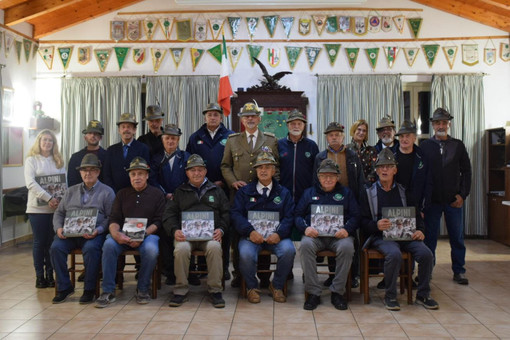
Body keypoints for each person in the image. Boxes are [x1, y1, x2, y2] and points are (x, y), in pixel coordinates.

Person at [360, 148, 438, 311]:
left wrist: (421, 230)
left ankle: (423, 294)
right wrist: (376, 225)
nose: (385, 170)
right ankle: (390, 296)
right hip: (381, 237)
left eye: (388, 166)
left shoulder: (405, 192)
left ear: (395, 169)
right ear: (376, 170)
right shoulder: (368, 193)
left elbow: (416, 215)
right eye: (381, 166)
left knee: (426, 254)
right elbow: (362, 221)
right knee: (394, 254)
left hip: (406, 236)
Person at [221, 101, 279, 287]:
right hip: (240, 196)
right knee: (239, 236)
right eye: (246, 117)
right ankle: (240, 274)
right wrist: (232, 181)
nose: (250, 119)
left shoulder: (270, 140)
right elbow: (225, 166)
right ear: (242, 121)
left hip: (265, 196)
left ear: (259, 119)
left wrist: (270, 185)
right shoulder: (232, 140)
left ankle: (262, 277)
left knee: (264, 229)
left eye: (253, 116)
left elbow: (276, 168)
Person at [95, 157, 165, 308]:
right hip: (122, 235)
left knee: (151, 250)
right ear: (129, 176)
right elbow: (113, 219)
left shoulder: (157, 194)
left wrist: (143, 235)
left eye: (140, 174)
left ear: (147, 175)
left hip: (147, 236)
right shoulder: (121, 194)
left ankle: (142, 288)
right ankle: (108, 291)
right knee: (108, 245)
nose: (137, 177)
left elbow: (158, 222)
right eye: (133, 174)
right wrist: (115, 234)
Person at [163, 154, 230, 308]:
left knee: (214, 247)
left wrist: (221, 229)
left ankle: (215, 290)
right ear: (187, 173)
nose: (196, 173)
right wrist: (174, 230)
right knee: (181, 249)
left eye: (200, 170)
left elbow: (226, 213)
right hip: (185, 237)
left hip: (210, 236)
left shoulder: (216, 191)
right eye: (192, 170)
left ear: (205, 171)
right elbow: (169, 215)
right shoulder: (180, 191)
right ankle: (180, 290)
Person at [231, 151, 295, 303]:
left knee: (289, 251)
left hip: (277, 237)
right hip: (251, 237)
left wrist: (279, 234)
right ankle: (252, 287)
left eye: (267, 167)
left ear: (274, 170)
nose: (264, 170)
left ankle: (277, 286)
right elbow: (236, 215)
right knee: (245, 254)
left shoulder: (284, 193)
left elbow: (289, 216)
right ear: (256, 170)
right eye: (260, 167)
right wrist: (250, 231)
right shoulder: (244, 192)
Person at [295, 159, 360, 310]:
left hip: (338, 237)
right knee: (304, 246)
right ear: (318, 177)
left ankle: (337, 292)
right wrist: (305, 229)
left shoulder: (346, 193)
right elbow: (297, 215)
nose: (328, 179)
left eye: (332, 175)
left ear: (338, 177)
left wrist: (347, 229)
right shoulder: (308, 193)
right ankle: (313, 293)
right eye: (324, 176)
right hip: (315, 236)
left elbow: (356, 216)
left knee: (348, 248)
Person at [50, 154, 115, 304]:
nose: (88, 173)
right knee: (55, 248)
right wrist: (58, 228)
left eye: (92, 170)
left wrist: (98, 230)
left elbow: (111, 217)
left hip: (94, 234)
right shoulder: (70, 191)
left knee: (92, 249)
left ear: (98, 172)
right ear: (80, 172)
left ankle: (89, 289)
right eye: (85, 170)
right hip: (69, 235)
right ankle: (64, 287)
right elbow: (59, 213)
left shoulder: (107, 192)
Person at [420, 108, 472, 285]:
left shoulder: (458, 145)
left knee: (457, 238)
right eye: (437, 123)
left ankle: (459, 271)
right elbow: (421, 173)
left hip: (453, 201)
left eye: (444, 122)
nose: (441, 125)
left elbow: (466, 171)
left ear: (449, 124)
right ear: (433, 125)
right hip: (432, 201)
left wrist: (463, 195)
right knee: (430, 239)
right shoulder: (425, 146)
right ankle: (427, 272)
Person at [186, 103, 234, 280]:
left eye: (216, 114)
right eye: (209, 115)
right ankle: (198, 267)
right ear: (205, 117)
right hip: (199, 188)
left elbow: (232, 163)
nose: (212, 117)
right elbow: (189, 163)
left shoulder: (230, 136)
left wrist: (225, 182)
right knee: (200, 223)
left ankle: (223, 267)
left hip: (223, 188)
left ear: (221, 117)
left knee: (222, 227)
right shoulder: (195, 137)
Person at [313, 122, 365, 288]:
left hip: (348, 203)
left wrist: (359, 202)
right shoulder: (320, 157)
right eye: (331, 135)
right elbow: (314, 182)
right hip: (326, 203)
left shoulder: (352, 155)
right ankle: (332, 275)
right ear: (327, 138)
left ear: (343, 137)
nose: (334, 137)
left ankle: (353, 274)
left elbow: (360, 180)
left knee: (351, 240)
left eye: (337, 135)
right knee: (329, 235)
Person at [25, 129, 66, 289]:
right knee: (39, 242)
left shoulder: (59, 160)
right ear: (39, 142)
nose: (47, 143)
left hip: (55, 209)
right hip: (37, 209)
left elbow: (64, 184)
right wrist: (49, 198)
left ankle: (50, 275)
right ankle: (39, 276)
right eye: (45, 140)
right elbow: (30, 183)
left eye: (50, 140)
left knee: (51, 242)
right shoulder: (31, 160)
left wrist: (60, 202)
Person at [103, 113, 150, 193]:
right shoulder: (111, 150)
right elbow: (106, 175)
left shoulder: (143, 148)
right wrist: (113, 192)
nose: (126, 130)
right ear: (119, 130)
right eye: (123, 127)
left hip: (136, 193)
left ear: (134, 130)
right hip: (115, 194)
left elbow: (146, 172)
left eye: (129, 127)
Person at [150, 124, 190, 199]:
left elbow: (190, 179)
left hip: (182, 198)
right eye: (167, 138)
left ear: (178, 140)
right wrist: (164, 194)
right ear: (162, 140)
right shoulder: (156, 159)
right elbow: (152, 180)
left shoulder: (186, 157)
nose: (170, 141)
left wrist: (180, 193)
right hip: (161, 199)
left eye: (173, 138)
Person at [67, 120, 107, 187]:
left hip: (103, 194)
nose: (93, 136)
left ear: (100, 138)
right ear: (85, 137)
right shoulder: (75, 157)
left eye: (96, 133)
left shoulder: (108, 156)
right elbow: (71, 181)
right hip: (80, 194)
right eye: (90, 133)